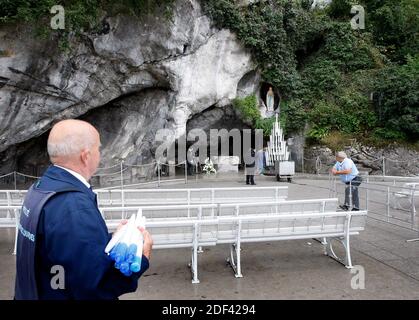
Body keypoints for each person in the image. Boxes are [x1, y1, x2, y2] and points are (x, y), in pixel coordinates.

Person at [15, 119, 153, 300]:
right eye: (98, 148)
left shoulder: (41, 188)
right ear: (86, 156)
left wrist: (111, 239)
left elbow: (62, 251)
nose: (100, 154)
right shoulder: (73, 207)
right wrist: (142, 257)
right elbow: (94, 288)